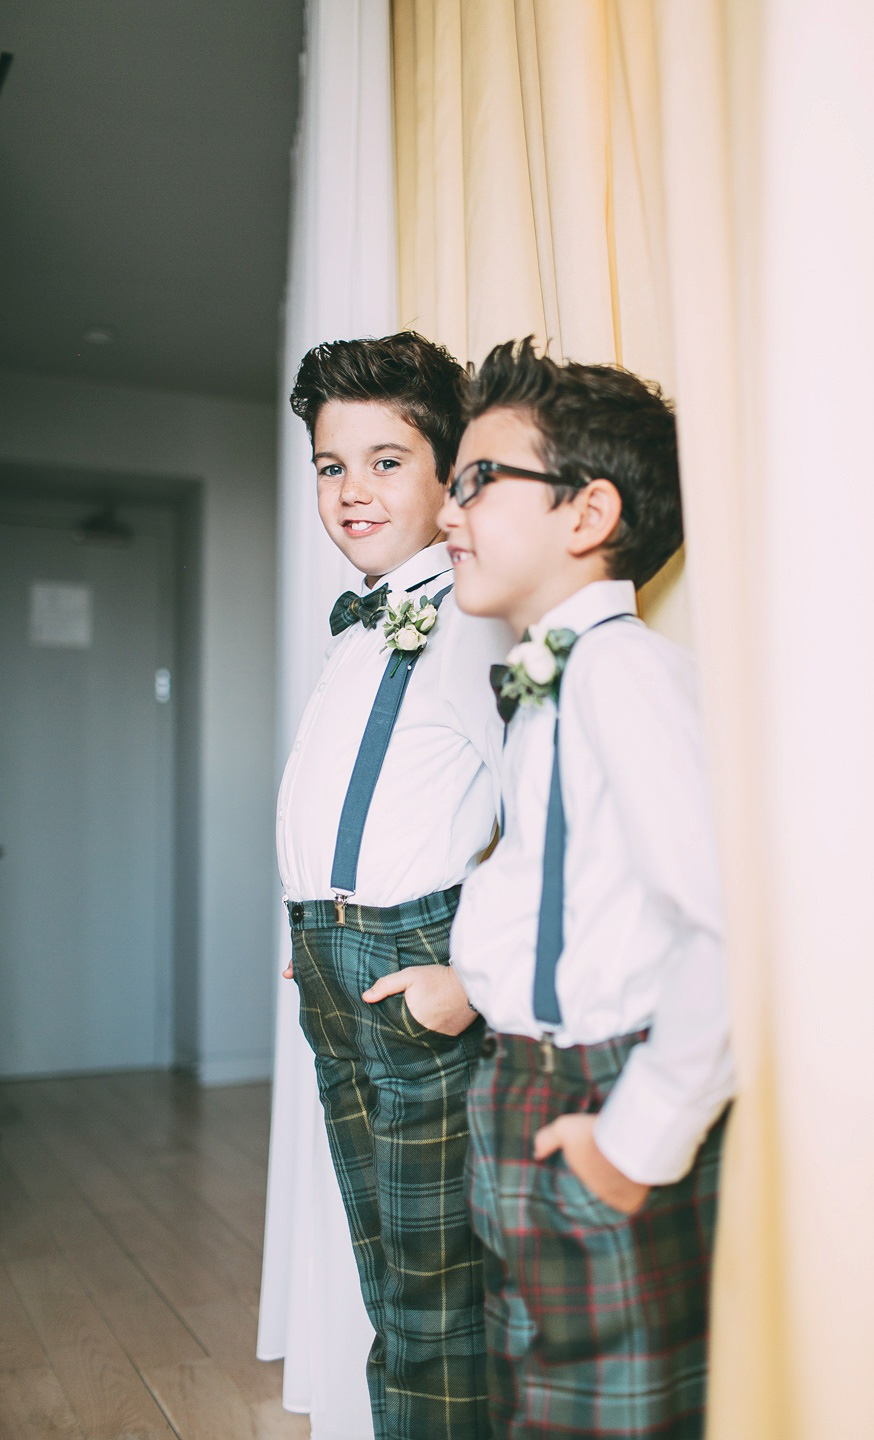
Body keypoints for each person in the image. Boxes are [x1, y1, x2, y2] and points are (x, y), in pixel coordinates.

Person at [440, 338, 735, 1438]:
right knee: (538, 1398)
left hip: (593, 1095)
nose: (446, 514)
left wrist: (636, 1136)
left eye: (477, 481)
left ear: (587, 512)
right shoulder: (556, 683)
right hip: (522, 1087)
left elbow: (729, 928)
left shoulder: (622, 672)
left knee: (608, 1414)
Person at [277, 332, 509, 1440]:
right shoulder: (366, 624)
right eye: (331, 465)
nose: (353, 490)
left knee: (436, 1292)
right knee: (387, 1269)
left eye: (385, 460)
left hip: (413, 972)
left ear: (448, 473)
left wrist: (466, 973)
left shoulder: (464, 616)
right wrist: (317, 916)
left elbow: (541, 807)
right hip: (336, 963)